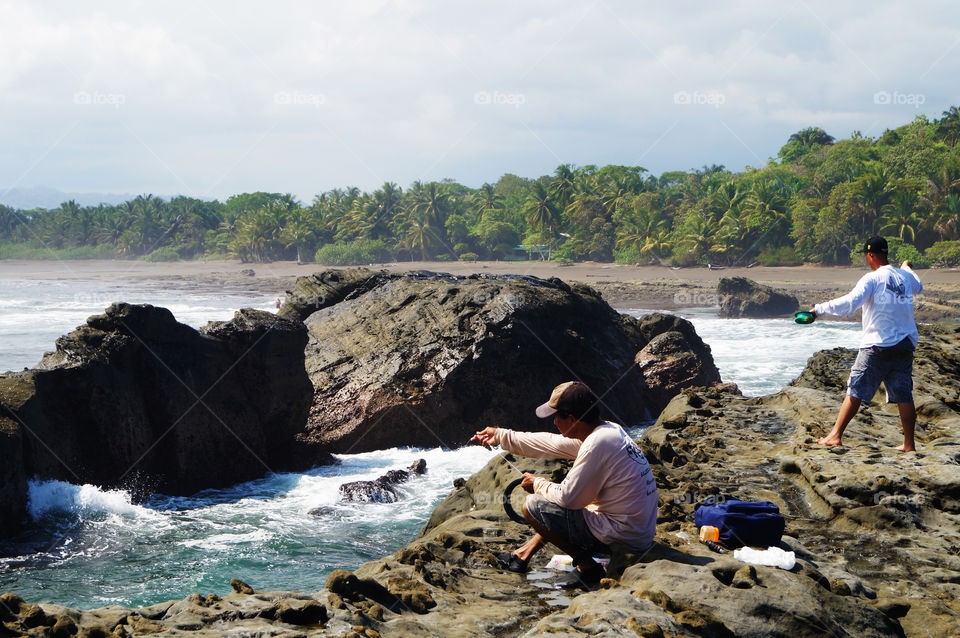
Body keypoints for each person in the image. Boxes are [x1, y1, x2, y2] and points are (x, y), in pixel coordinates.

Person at [470, 381, 658, 588]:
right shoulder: (607, 431)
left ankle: (588, 569)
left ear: (572, 419)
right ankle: (522, 555)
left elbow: (568, 499)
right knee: (562, 496)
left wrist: (538, 484)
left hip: (624, 537)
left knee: (533, 506)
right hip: (638, 531)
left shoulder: (597, 444)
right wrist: (500, 435)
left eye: (556, 416)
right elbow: (550, 443)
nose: (554, 423)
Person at [810, 236, 923, 452]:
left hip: (877, 344)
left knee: (856, 389)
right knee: (904, 394)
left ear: (870, 255)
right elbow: (918, 285)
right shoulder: (905, 277)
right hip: (905, 344)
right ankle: (909, 444)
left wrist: (819, 310)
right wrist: (906, 267)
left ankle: (835, 435)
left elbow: (850, 303)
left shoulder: (872, 279)